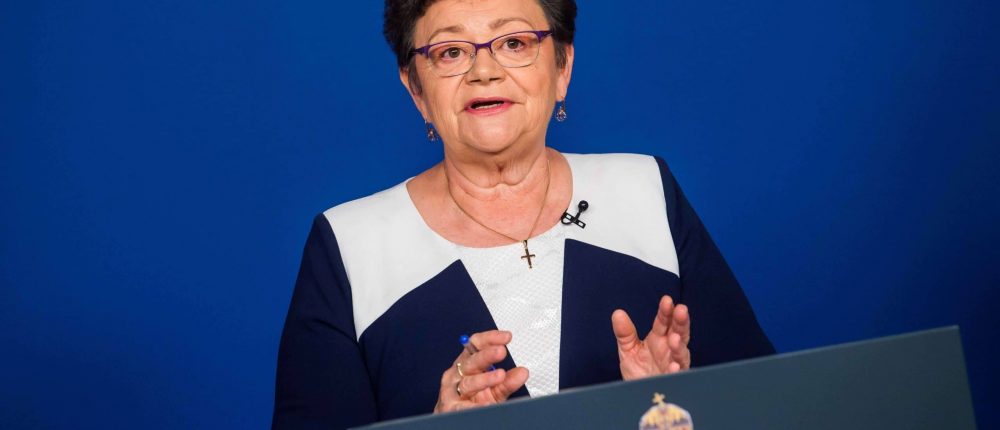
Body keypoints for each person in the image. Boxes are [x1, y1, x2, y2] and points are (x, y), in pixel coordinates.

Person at [272, 0, 774, 428]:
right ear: (416, 89)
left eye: (514, 42)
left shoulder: (645, 190)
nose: (484, 71)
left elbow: (769, 405)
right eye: (451, 52)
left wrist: (674, 406)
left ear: (562, 67)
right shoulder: (350, 244)